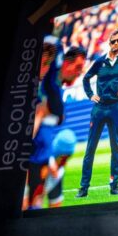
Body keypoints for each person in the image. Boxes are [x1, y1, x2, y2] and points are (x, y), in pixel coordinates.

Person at [76, 28, 118, 197]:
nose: (115, 44)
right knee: (90, 149)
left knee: (116, 148)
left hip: (116, 107)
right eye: (113, 41)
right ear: (109, 42)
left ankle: (114, 185)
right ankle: (83, 188)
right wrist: (90, 95)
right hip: (99, 109)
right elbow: (86, 78)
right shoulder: (100, 61)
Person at [25, 44, 86, 210]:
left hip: (41, 159)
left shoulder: (54, 93)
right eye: (78, 67)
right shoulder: (44, 89)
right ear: (65, 63)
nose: (80, 72)